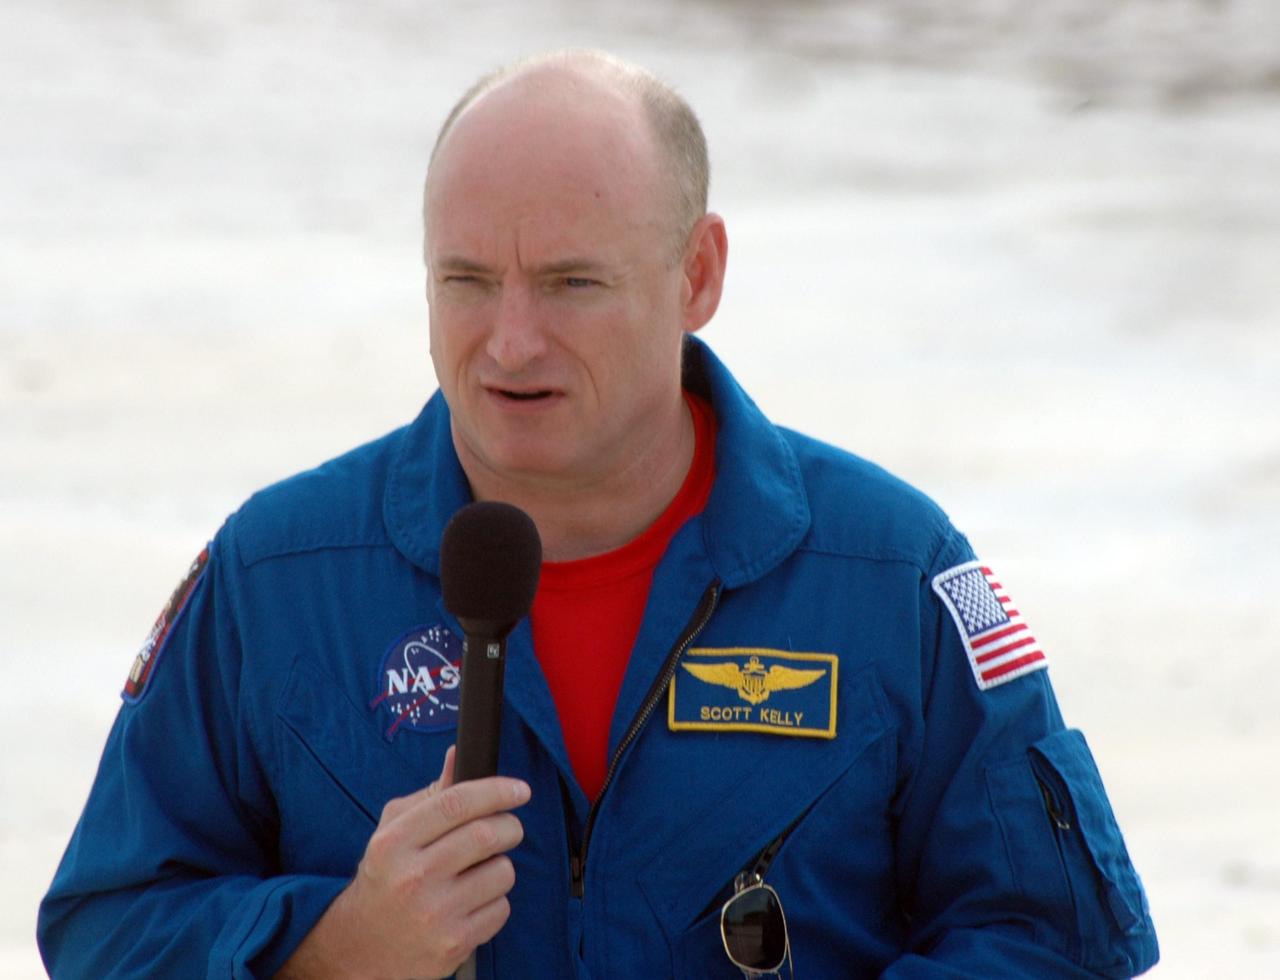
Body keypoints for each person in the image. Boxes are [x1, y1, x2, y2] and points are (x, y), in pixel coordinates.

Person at [38, 50, 1159, 978]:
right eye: (467, 280)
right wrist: (332, 946)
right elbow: (101, 929)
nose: (510, 340)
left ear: (697, 273)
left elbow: (1053, 942)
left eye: (572, 282)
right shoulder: (277, 574)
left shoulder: (887, 572)